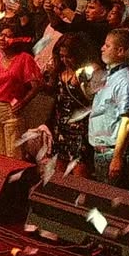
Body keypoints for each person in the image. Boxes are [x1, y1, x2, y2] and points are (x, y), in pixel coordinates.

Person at [0, 15, 44, 157]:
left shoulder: (24, 58)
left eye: (8, 36)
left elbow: (37, 85)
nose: (3, 38)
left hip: (10, 109)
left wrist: (24, 102)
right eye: (1, 35)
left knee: (13, 155)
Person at [88, 28, 129, 183]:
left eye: (107, 46)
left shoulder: (126, 81)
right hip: (101, 151)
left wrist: (117, 157)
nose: (102, 48)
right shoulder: (109, 74)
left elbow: (127, 121)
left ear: (120, 51)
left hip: (112, 152)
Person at [49, 33, 100, 175]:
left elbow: (94, 99)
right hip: (61, 126)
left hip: (80, 129)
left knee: (79, 173)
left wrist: (81, 84)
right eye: (62, 56)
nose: (65, 60)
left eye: (68, 57)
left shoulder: (88, 70)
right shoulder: (61, 70)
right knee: (59, 172)